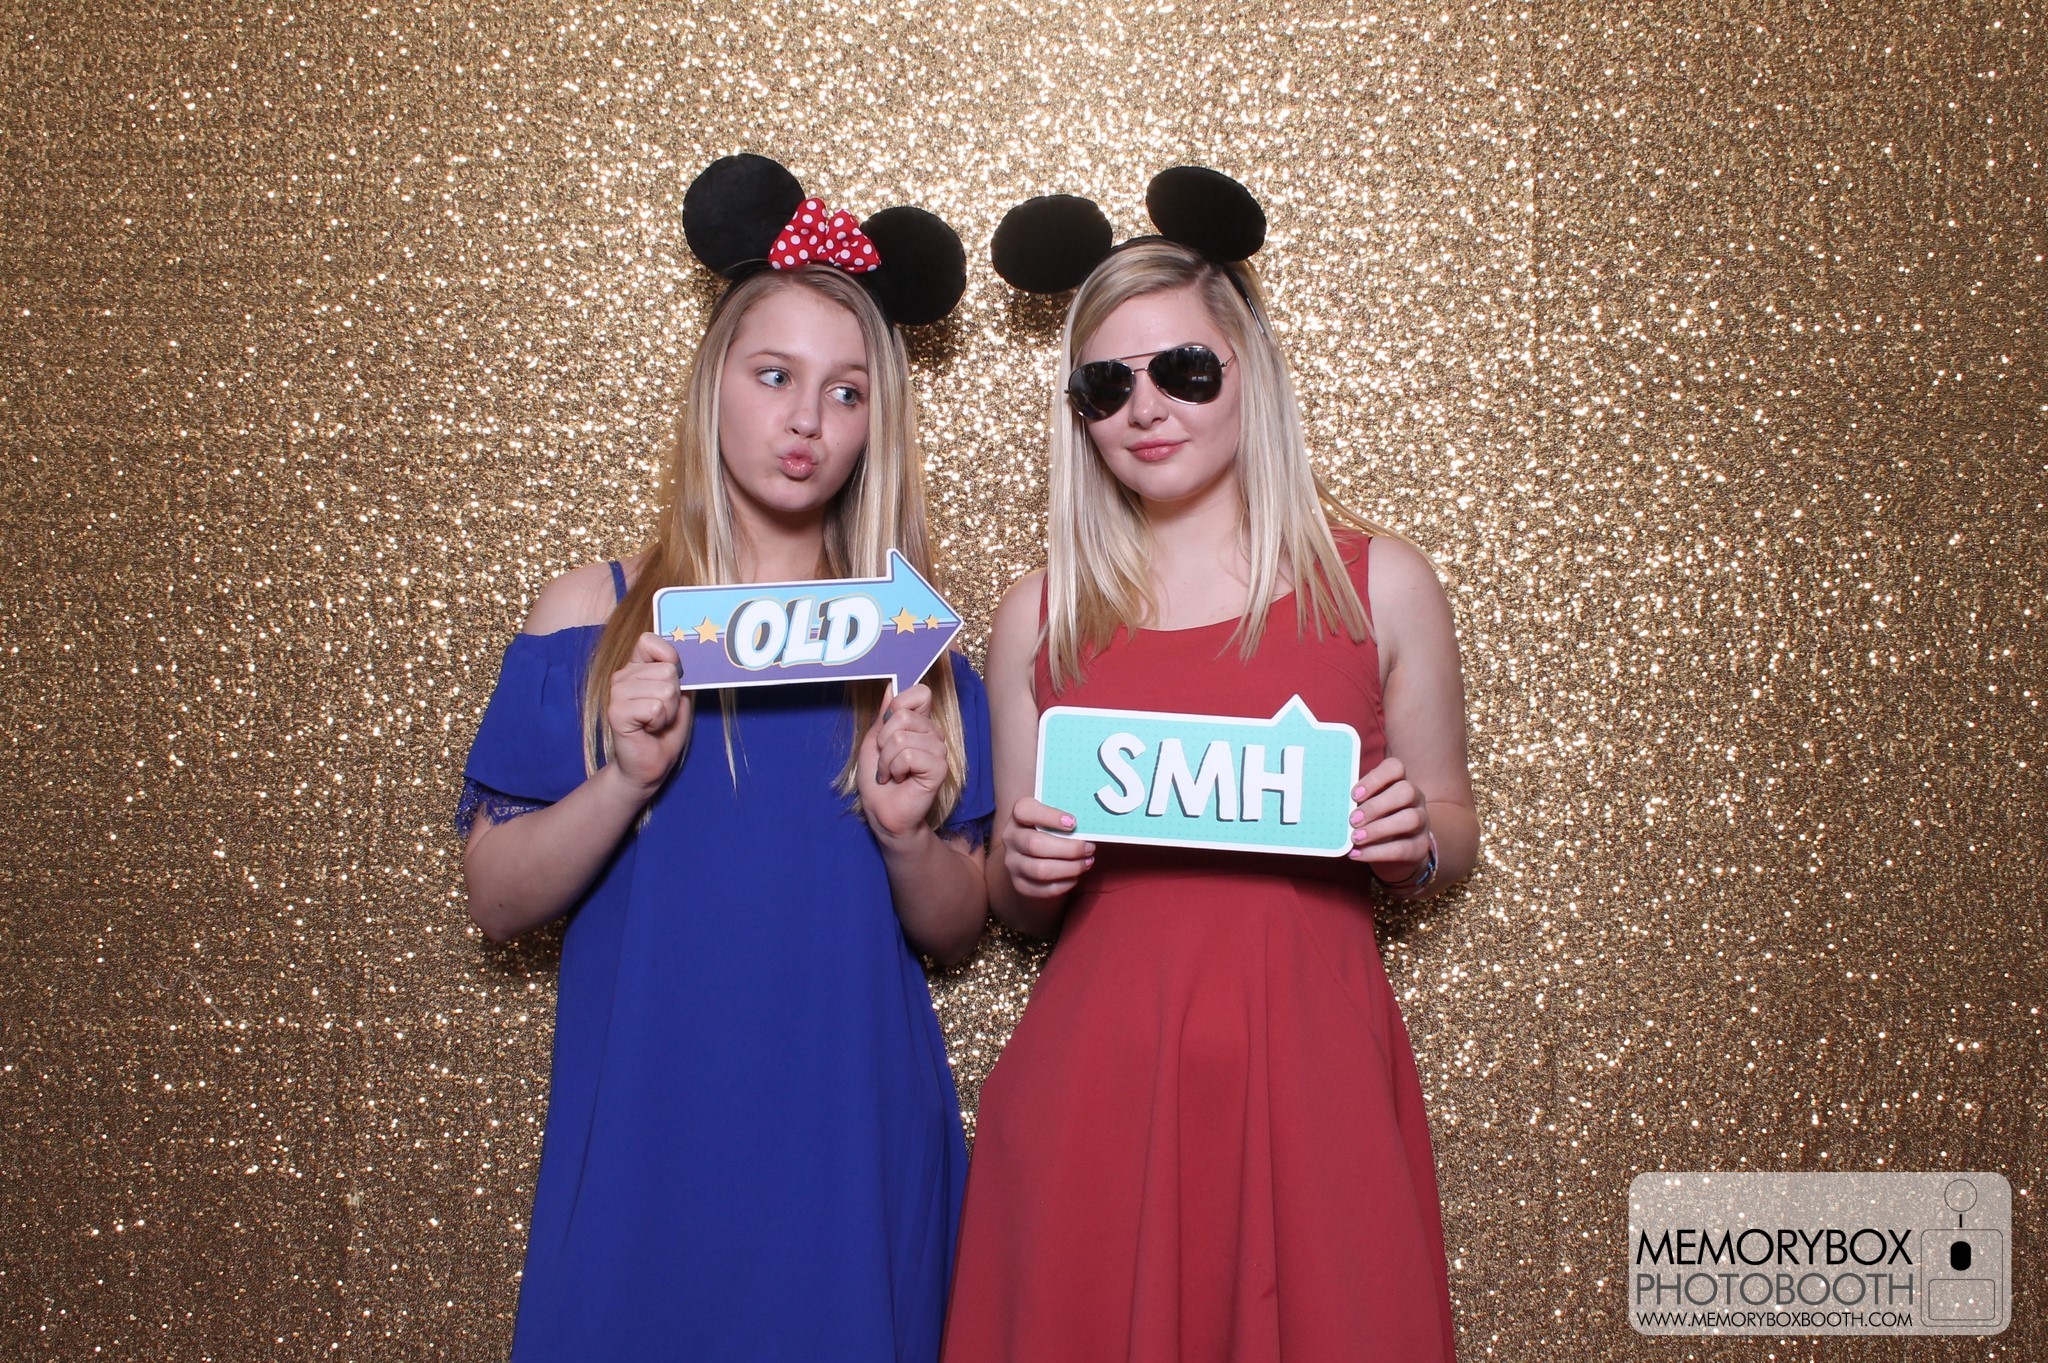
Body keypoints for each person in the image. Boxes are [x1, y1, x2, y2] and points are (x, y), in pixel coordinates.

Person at [458, 156, 991, 1363]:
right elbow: (495, 898)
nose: (807, 421)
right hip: (650, 1132)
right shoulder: (590, 615)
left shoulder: (908, 642)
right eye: (774, 376)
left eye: (847, 392)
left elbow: (957, 927)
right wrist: (625, 776)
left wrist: (907, 832)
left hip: (849, 1136)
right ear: (714, 387)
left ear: (876, 423)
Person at [943, 172, 1477, 1362]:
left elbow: (1451, 820)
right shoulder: (1039, 614)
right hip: (1098, 1088)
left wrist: (1413, 839)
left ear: (1250, 372)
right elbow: (1016, 904)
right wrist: (1021, 866)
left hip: (1312, 1075)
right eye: (1105, 385)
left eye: (1183, 370)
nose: (1145, 408)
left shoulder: (1378, 583)